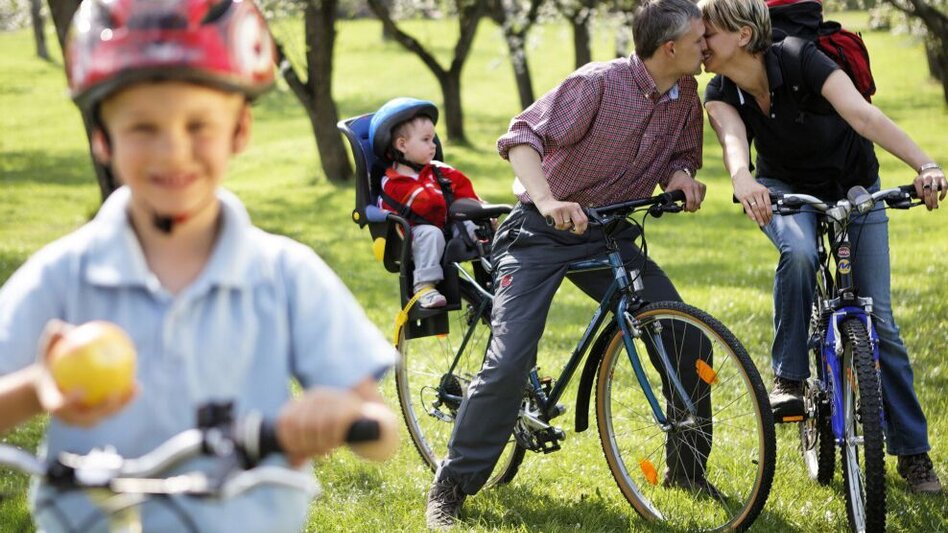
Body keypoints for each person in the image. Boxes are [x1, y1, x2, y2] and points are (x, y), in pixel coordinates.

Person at [0, 0, 400, 531]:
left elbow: (380, 429)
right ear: (102, 139)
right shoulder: (64, 274)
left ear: (239, 131)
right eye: (143, 128)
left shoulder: (284, 274)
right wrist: (37, 387)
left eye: (199, 126)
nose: (173, 152)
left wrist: (341, 414)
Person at [425, 0, 709, 527]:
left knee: (687, 334)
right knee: (511, 361)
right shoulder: (598, 83)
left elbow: (680, 156)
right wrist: (549, 200)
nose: (708, 46)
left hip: (611, 233)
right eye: (700, 39)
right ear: (670, 47)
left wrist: (680, 177)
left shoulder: (686, 95)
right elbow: (521, 138)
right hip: (540, 231)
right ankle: (452, 484)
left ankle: (687, 471)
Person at [700, 0, 945, 493]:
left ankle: (914, 454)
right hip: (785, 191)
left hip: (854, 184)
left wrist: (925, 165)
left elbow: (863, 116)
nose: (697, 41)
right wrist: (744, 179)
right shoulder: (720, 89)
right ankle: (789, 379)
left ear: (743, 35)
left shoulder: (801, 58)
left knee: (879, 321)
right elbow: (732, 145)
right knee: (802, 253)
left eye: (707, 32)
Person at [369, 97, 483, 308]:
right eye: (426, 140)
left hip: (444, 226)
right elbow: (426, 203)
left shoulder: (439, 171)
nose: (434, 146)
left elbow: (463, 190)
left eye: (433, 139)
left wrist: (477, 208)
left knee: (476, 223)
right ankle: (424, 287)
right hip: (410, 238)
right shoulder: (394, 182)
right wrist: (449, 199)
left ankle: (495, 269)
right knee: (431, 234)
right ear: (402, 145)